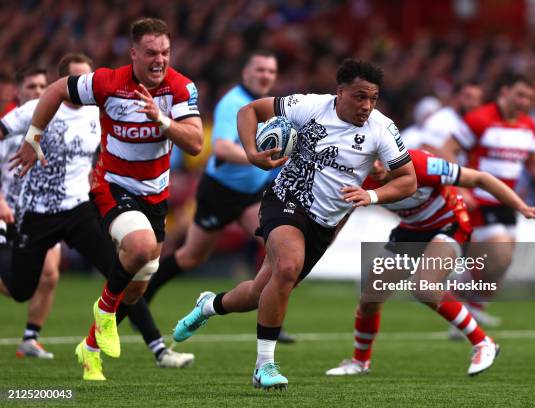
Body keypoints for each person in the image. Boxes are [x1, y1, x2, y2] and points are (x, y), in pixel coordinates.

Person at [172, 59, 418, 390]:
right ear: (340, 91)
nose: (366, 106)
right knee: (287, 267)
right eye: (360, 97)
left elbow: (408, 180)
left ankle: (208, 306)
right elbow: (249, 111)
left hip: (326, 221)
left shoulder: (382, 129)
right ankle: (264, 366)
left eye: (373, 98)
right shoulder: (308, 106)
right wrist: (251, 152)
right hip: (286, 199)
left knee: (259, 294)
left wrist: (372, 195)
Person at [9, 18, 202, 379]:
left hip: (155, 196)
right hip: (112, 186)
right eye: (150, 53)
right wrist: (32, 137)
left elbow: (194, 143)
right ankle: (105, 311)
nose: (159, 60)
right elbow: (54, 91)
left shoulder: (180, 88)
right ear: (133, 54)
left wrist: (161, 119)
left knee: (135, 287)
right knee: (140, 248)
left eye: (165, 52)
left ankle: (91, 345)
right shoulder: (107, 83)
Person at [325, 149, 535, 377]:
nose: (375, 167)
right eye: (368, 160)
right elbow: (338, 219)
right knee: (370, 298)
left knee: (424, 286)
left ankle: (483, 343)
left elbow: (481, 178)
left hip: (450, 223)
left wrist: (522, 207)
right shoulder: (358, 178)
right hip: (412, 230)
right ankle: (360, 362)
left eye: (378, 159)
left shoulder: (421, 164)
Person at [142, 50, 294, 343]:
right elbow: (222, 148)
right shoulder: (233, 103)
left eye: (270, 71)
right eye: (260, 69)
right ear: (246, 73)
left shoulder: (272, 107)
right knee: (191, 256)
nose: (265, 75)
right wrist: (256, 158)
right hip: (219, 192)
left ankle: (271, 318)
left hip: (252, 195)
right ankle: (142, 299)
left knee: (280, 253)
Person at [443, 73, 535, 319]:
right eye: (520, 94)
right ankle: (459, 286)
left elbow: (533, 158)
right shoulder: (479, 119)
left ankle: (471, 311)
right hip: (479, 201)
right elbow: (447, 151)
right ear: (504, 91)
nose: (524, 101)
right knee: (499, 256)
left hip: (508, 201)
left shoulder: (528, 125)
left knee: (503, 263)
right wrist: (461, 189)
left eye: (530, 97)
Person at [0, 66, 56, 359]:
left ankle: (30, 338)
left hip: (39, 213)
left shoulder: (53, 129)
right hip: (4, 214)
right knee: (14, 288)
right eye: (31, 87)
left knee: (48, 275)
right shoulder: (7, 131)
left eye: (43, 87)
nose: (38, 92)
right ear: (17, 92)